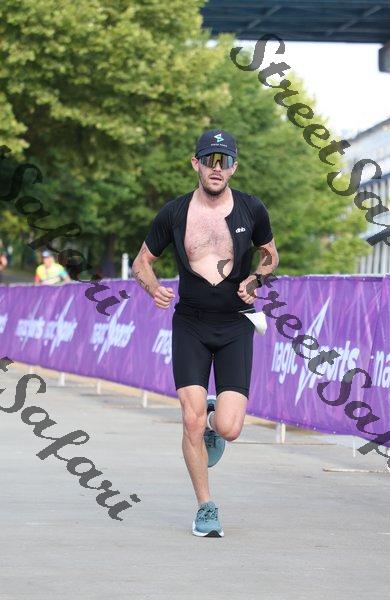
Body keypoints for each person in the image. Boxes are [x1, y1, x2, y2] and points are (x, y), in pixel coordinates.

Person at [132, 129, 279, 537]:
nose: (217, 168)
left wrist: (255, 280)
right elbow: (142, 262)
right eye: (209, 160)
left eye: (224, 161)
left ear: (234, 166)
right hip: (191, 324)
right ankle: (205, 506)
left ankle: (215, 419)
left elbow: (270, 255)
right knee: (190, 420)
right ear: (195, 163)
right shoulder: (174, 213)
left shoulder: (252, 209)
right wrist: (153, 288)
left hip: (235, 325)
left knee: (229, 428)